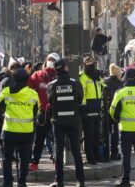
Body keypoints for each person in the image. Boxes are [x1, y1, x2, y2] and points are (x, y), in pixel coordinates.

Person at [0, 69, 39, 187]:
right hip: (26, 132)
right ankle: (22, 182)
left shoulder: (7, 91)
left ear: (13, 79)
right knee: (25, 159)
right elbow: (36, 111)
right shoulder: (33, 94)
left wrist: (6, 109)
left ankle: (7, 182)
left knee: (7, 159)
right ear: (27, 80)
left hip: (9, 131)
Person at [109, 69, 135, 187]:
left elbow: (112, 111)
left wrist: (118, 119)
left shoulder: (120, 93)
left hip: (126, 129)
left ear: (126, 78)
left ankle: (126, 181)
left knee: (126, 155)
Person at [48, 59, 85, 187]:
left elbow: (50, 101)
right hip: (74, 121)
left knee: (58, 152)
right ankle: (80, 181)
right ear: (65, 68)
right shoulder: (76, 84)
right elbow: (80, 99)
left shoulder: (52, 85)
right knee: (76, 151)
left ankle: (59, 181)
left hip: (58, 122)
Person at [29, 53, 60, 171]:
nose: (50, 62)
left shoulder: (59, 76)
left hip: (56, 112)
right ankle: (34, 163)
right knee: (39, 140)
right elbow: (28, 89)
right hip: (42, 112)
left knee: (58, 139)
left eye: (53, 60)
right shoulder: (37, 75)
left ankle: (58, 162)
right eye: (49, 60)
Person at [80, 56, 103, 164]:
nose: (92, 66)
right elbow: (82, 93)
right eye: (90, 64)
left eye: (93, 64)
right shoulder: (83, 76)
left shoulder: (97, 75)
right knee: (89, 134)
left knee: (96, 134)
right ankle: (90, 156)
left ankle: (96, 154)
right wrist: (84, 106)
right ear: (85, 65)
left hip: (97, 106)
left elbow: (102, 84)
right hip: (88, 106)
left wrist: (106, 87)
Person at [104, 64, 123, 161]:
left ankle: (106, 152)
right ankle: (114, 152)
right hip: (116, 109)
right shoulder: (120, 83)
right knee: (115, 131)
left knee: (106, 131)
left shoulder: (105, 82)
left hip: (106, 109)